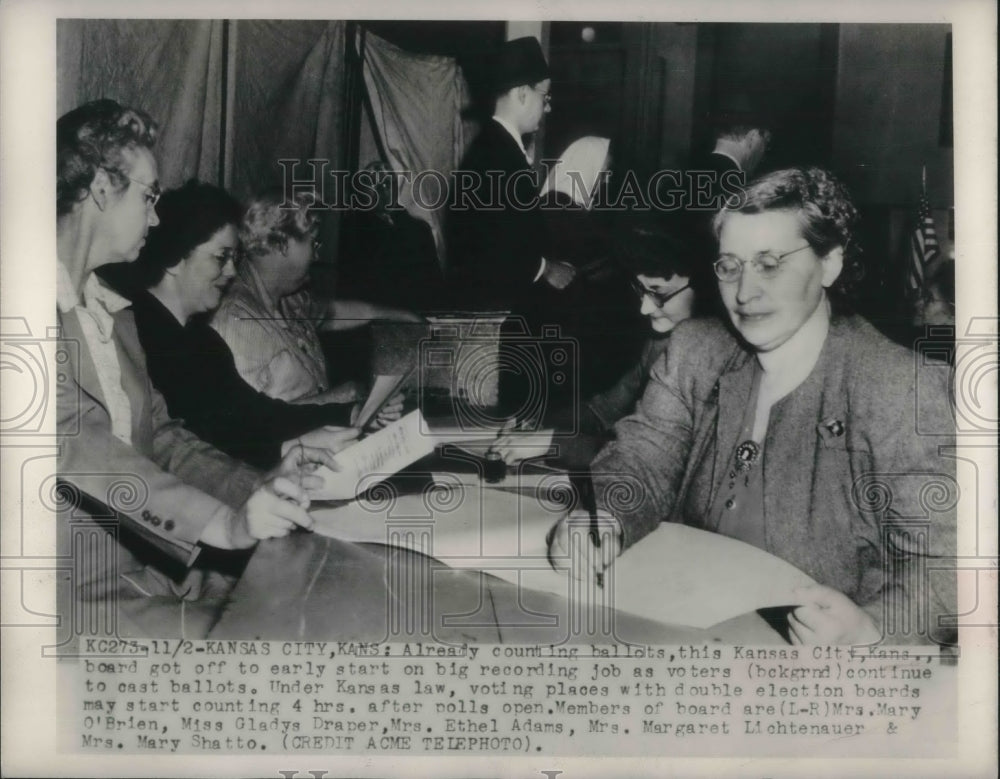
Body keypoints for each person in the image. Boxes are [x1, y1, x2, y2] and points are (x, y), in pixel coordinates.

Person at [549, 167, 956, 645]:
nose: (744, 292)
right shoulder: (695, 350)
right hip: (679, 634)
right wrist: (603, 520)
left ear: (830, 263)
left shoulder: (899, 387)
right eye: (730, 265)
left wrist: (873, 629)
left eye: (770, 263)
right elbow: (644, 457)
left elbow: (951, 567)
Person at [55, 100, 352, 638]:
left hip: (139, 570)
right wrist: (226, 525)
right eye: (148, 197)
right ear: (100, 188)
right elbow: (83, 445)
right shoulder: (22, 309)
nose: (155, 217)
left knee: (313, 608)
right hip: (61, 593)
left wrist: (260, 486)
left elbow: (165, 439)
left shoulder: (111, 313)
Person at [98, 180, 395, 470]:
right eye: (221, 257)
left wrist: (350, 412)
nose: (231, 271)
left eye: (234, 257)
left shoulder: (200, 338)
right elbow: (202, 448)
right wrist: (288, 449)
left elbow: (258, 415)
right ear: (176, 258)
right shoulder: (141, 335)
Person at [492, 222, 705, 467]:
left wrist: (552, 442)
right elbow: (602, 411)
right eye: (641, 291)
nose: (644, 308)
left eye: (658, 293)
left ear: (703, 288)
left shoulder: (712, 361)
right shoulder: (660, 343)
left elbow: (648, 458)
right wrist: (536, 424)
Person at [211, 187, 421, 404]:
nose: (317, 254)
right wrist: (333, 400)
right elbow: (250, 422)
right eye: (313, 243)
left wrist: (402, 315)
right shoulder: (238, 323)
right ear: (283, 245)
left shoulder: (288, 298)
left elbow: (332, 313)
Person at [446, 36, 576, 312]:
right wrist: (545, 269)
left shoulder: (495, 148)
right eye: (546, 97)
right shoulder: (495, 155)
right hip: (498, 309)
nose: (548, 107)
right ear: (522, 94)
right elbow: (488, 245)